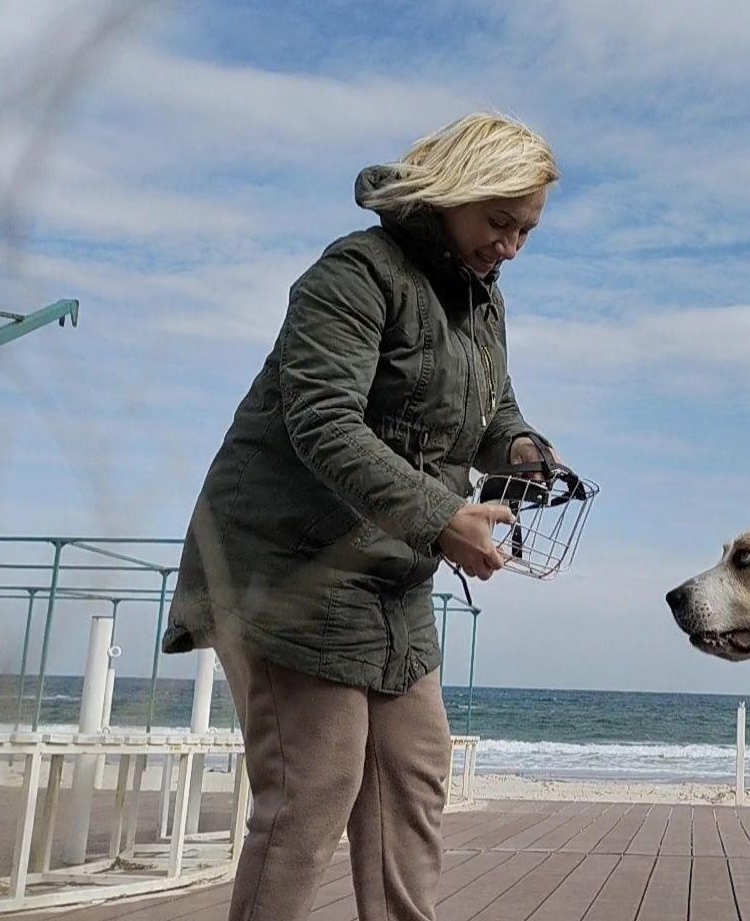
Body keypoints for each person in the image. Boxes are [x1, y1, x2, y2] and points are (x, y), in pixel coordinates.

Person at [162, 111, 561, 921]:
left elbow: (494, 416)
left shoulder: (483, 304)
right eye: (499, 222)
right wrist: (446, 515)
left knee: (413, 784)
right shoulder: (353, 275)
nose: (510, 247)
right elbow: (323, 423)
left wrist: (523, 451)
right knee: (312, 794)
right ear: (454, 193)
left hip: (391, 583)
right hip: (286, 568)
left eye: (526, 231)